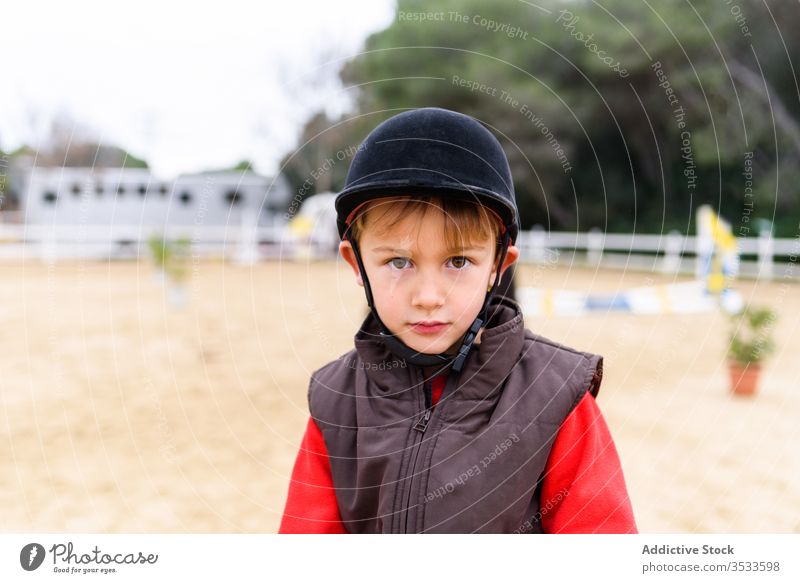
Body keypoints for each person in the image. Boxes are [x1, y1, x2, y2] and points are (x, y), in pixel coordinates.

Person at [279, 107, 637, 533]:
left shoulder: (556, 396)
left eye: (458, 261)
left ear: (498, 265)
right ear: (356, 264)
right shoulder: (335, 403)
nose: (428, 297)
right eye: (398, 261)